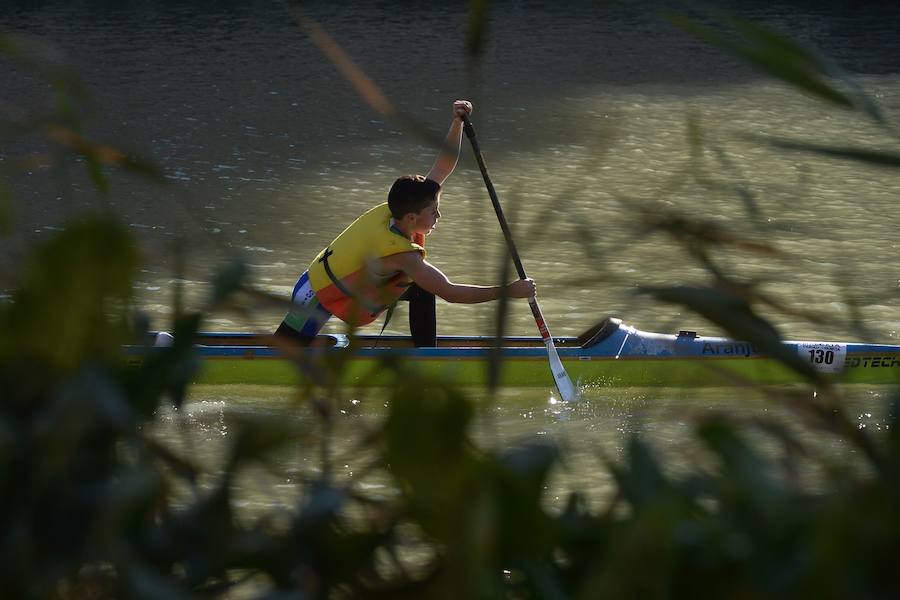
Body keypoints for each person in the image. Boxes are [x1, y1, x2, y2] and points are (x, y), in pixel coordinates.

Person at [274, 100, 535, 346]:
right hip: (316, 293)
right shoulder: (403, 255)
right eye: (433, 212)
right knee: (284, 350)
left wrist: (457, 123)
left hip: (354, 287)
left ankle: (426, 354)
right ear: (412, 217)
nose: (438, 216)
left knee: (423, 288)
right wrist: (509, 291)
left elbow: (443, 166)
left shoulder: (402, 206)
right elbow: (451, 292)